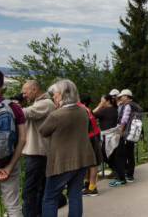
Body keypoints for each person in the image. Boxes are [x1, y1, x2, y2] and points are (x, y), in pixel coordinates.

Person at [39, 79, 96, 217]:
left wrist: (57, 111)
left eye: (55, 94)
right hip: (82, 158)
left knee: (50, 197)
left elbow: (43, 131)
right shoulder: (82, 111)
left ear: (62, 95)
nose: (53, 97)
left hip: (62, 162)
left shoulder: (56, 115)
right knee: (75, 195)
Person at [18, 80, 55, 217]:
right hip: (36, 152)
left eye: (25, 93)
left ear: (34, 90)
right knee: (38, 189)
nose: (23, 95)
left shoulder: (45, 104)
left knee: (29, 190)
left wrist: (15, 105)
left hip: (37, 153)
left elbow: (23, 115)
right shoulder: (40, 103)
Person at [0, 70, 26, 217]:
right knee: (13, 206)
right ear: (2, 84)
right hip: (9, 161)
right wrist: (8, 166)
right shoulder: (14, 107)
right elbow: (22, 139)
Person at [109, 89, 142, 187]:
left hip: (126, 132)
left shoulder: (127, 105)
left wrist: (121, 130)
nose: (120, 98)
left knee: (119, 155)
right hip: (132, 133)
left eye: (122, 96)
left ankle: (121, 179)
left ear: (126, 96)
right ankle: (130, 175)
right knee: (130, 154)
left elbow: (124, 118)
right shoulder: (134, 105)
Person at [78, 94, 101, 197]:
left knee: (91, 163)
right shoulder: (86, 109)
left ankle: (92, 187)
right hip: (94, 135)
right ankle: (88, 185)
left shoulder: (80, 108)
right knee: (88, 163)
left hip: (89, 137)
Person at [92, 94, 119, 179]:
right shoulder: (115, 109)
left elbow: (91, 115)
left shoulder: (104, 110)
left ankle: (115, 170)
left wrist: (98, 107)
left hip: (108, 135)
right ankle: (117, 170)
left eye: (102, 101)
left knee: (104, 153)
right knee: (113, 153)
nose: (101, 103)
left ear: (108, 101)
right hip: (115, 134)